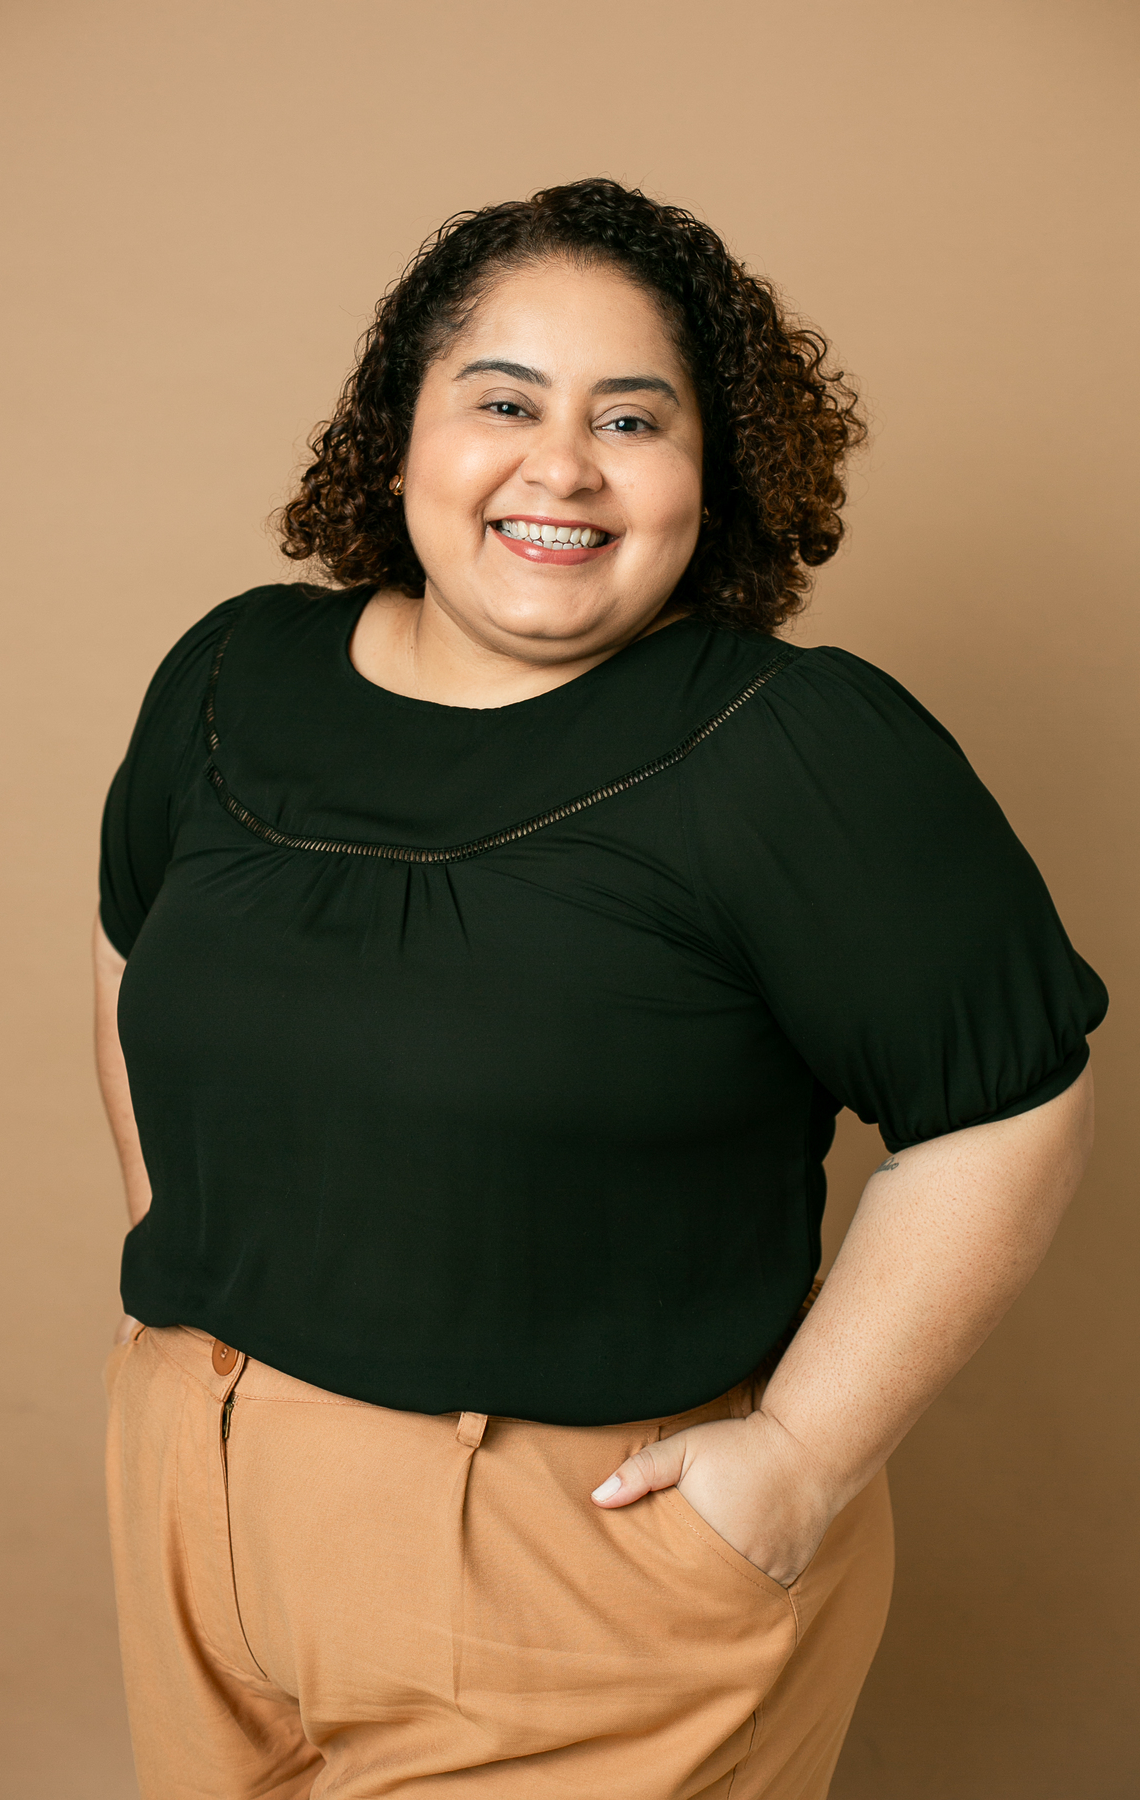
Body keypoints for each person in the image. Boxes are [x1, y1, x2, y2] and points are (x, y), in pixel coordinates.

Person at [95, 179, 1106, 1800]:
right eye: (504, 402)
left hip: (575, 1575)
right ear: (400, 437)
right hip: (194, 1511)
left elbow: (1007, 1110)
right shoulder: (230, 675)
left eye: (630, 419)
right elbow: (135, 950)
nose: (561, 464)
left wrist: (797, 1462)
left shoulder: (798, 750)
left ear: (714, 475)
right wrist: (201, 1288)